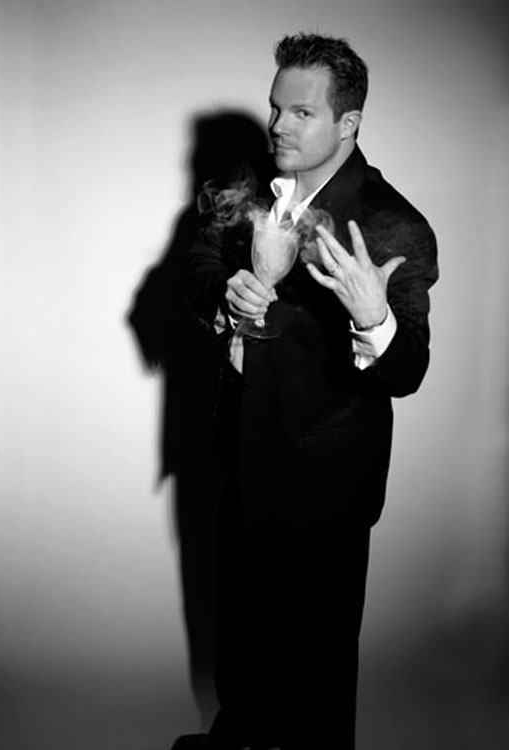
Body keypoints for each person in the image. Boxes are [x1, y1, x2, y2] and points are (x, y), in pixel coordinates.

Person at [174, 32, 438, 750]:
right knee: (241, 646)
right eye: (274, 108)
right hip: (237, 451)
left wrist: (373, 317)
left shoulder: (392, 223)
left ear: (348, 123)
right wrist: (229, 294)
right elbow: (197, 267)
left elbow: (406, 370)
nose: (278, 126)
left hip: (323, 481)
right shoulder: (247, 183)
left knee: (313, 672)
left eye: (301, 113)